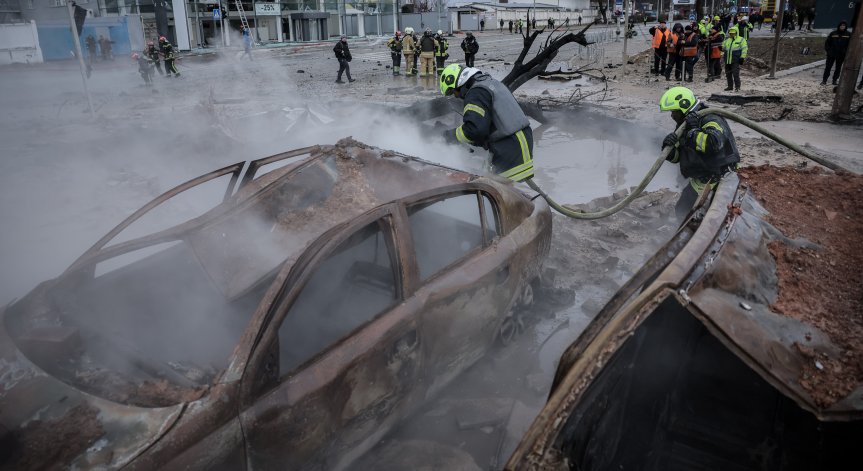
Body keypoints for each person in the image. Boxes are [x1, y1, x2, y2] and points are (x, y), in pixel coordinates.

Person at [439, 64, 534, 182]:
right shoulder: (491, 83)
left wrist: (451, 136)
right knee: (514, 191)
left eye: (453, 92)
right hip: (521, 141)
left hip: (509, 148)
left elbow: (474, 131)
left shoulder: (476, 93)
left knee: (499, 192)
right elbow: (490, 125)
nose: (456, 96)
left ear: (458, 83)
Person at [659, 86, 740, 220]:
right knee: (682, 209)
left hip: (722, 175)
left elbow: (713, 144)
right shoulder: (685, 123)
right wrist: (669, 149)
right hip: (703, 176)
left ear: (683, 107)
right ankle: (686, 235)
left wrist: (693, 131)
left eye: (674, 111)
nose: (672, 115)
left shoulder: (710, 118)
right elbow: (678, 157)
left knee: (715, 215)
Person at [823, 21, 851, 86]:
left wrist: (845, 52)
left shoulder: (848, 34)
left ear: (845, 27)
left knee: (838, 68)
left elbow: (849, 45)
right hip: (831, 54)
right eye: (841, 25)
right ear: (839, 26)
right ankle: (824, 80)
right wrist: (828, 51)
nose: (842, 27)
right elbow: (827, 43)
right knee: (828, 67)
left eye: (844, 26)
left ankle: (834, 80)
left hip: (841, 55)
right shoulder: (833, 33)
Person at [721, 26, 747, 91]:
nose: (731, 34)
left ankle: (737, 87)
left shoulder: (741, 39)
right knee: (728, 74)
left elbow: (744, 49)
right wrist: (721, 48)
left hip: (735, 60)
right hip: (727, 60)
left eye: (733, 33)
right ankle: (730, 86)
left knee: (735, 74)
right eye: (730, 33)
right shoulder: (727, 40)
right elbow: (724, 48)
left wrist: (742, 57)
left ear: (736, 32)